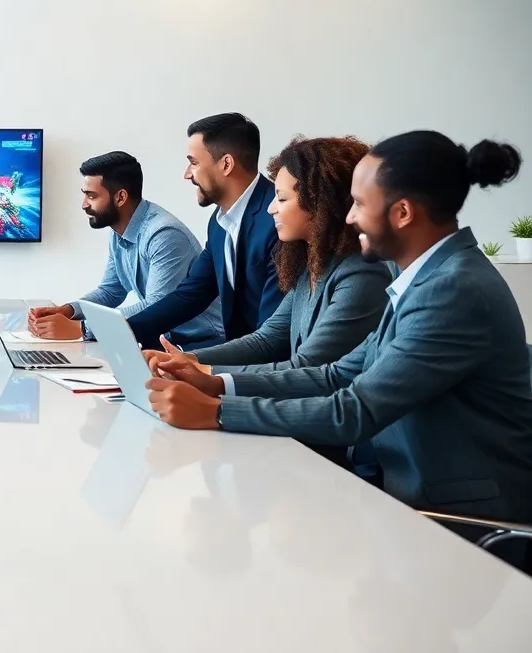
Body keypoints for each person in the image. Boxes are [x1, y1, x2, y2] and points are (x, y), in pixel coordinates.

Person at [147, 132, 532, 523]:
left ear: (402, 213)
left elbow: (354, 410)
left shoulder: (452, 289)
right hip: (413, 498)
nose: (349, 216)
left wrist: (217, 412)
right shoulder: (427, 279)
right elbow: (336, 374)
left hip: (462, 520)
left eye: (360, 204)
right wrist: (214, 382)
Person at [153, 136, 393, 375]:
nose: (271, 208)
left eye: (282, 198)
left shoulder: (361, 274)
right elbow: (266, 340)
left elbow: (308, 366)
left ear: (319, 204)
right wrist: (188, 359)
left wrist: (206, 373)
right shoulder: (311, 265)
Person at [27, 150, 221, 345]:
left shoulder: (164, 234)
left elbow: (156, 305)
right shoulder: (118, 230)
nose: (84, 205)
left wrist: (83, 328)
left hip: (200, 342)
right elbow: (110, 291)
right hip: (163, 338)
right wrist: (68, 311)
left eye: (91, 196)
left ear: (120, 198)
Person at [125, 113, 285, 349]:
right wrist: (124, 330)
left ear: (226, 164)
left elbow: (272, 337)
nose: (187, 174)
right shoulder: (218, 222)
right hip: (238, 353)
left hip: (265, 360)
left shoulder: (278, 219)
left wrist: (194, 362)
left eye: (194, 163)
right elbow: (191, 294)